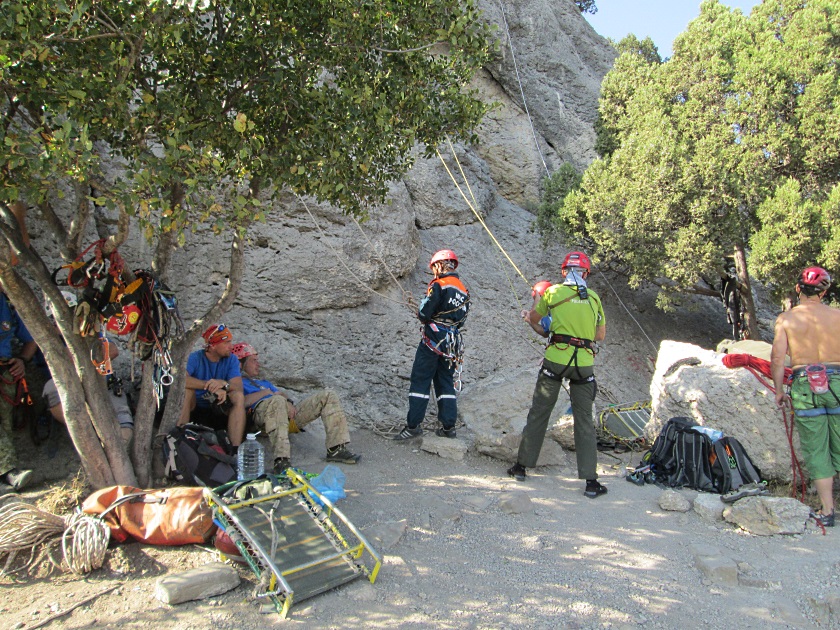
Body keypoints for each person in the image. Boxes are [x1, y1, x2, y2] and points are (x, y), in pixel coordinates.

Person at [507, 251, 608, 498]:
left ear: (564, 272)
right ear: (586, 274)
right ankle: (591, 482)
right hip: (583, 364)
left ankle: (521, 467)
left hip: (556, 359)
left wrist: (529, 316)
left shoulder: (552, 293)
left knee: (540, 411)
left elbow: (538, 321)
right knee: (584, 420)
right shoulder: (594, 298)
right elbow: (600, 336)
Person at [771, 266, 840, 527]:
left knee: (816, 448)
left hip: (805, 385)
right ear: (824, 292)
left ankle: (827, 511)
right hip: (839, 383)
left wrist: (779, 390)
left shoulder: (787, 319)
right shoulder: (838, 316)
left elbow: (778, 358)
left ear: (798, 289)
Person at [231, 342, 360, 473]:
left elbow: (281, 394)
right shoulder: (236, 383)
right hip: (262, 420)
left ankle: (336, 449)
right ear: (240, 364)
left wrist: (287, 401)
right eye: (253, 361)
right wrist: (269, 394)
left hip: (285, 414)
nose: (258, 364)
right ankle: (281, 461)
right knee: (276, 401)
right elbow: (241, 403)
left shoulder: (263, 382)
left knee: (328, 396)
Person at [395, 249, 470, 440]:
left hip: (433, 340)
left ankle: (413, 426)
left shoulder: (439, 285)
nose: (433, 272)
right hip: (451, 344)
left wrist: (422, 311)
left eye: (434, 267)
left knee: (421, 379)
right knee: (445, 381)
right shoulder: (464, 291)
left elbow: (424, 313)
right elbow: (461, 322)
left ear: (440, 265)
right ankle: (448, 427)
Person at [178, 323, 247, 447]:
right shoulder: (195, 358)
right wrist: (209, 385)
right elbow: (180, 380)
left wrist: (223, 385)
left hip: (218, 406)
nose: (230, 347)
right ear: (213, 345)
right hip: (196, 406)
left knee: (238, 396)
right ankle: (179, 439)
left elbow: (238, 386)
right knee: (186, 391)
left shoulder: (231, 359)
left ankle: (235, 449)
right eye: (226, 343)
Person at [0, 292, 39, 493]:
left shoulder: (8, 303)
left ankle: (6, 478)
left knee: (6, 424)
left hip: (5, 371)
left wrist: (22, 360)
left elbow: (31, 341)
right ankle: (9, 472)